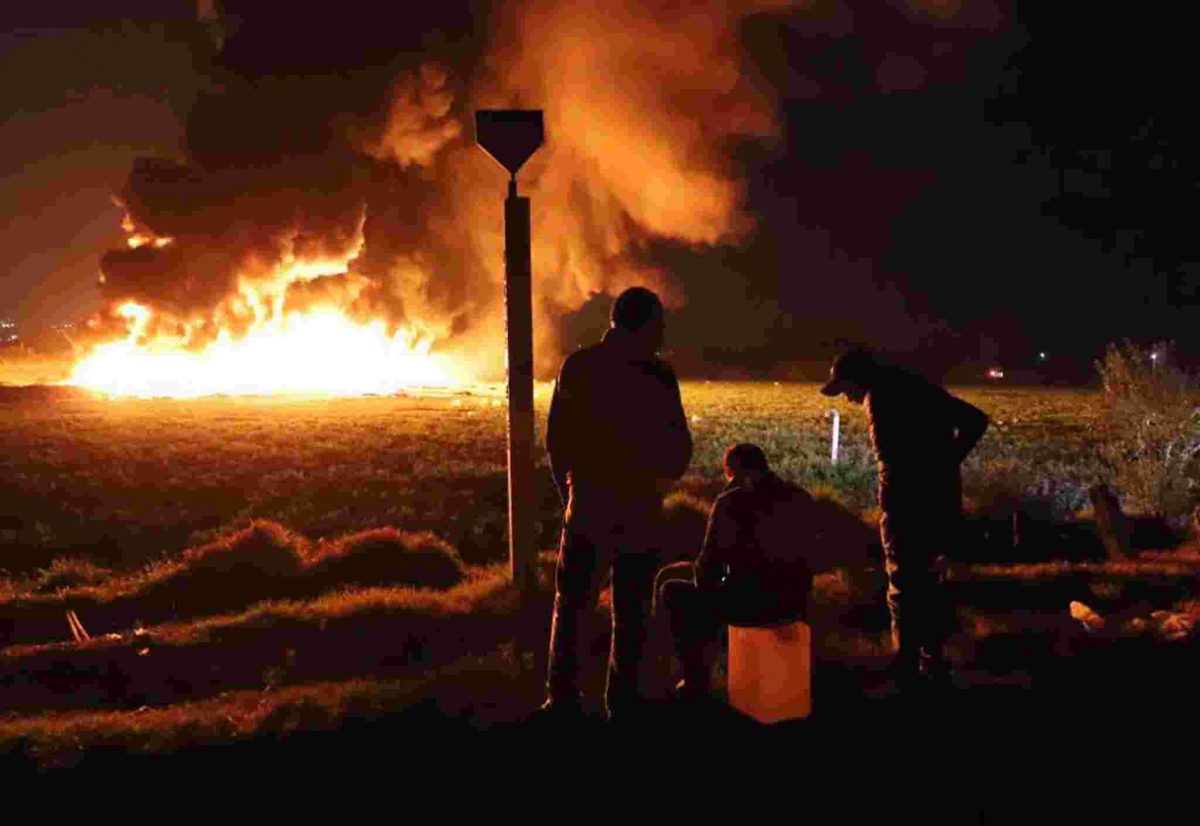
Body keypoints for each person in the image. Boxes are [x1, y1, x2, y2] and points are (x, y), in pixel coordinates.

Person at [540, 286, 693, 721]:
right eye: (659, 323)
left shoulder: (580, 367)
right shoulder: (660, 376)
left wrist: (570, 497)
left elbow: (557, 442)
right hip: (639, 512)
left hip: (589, 508)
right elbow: (679, 450)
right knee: (631, 612)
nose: (663, 332)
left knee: (571, 609)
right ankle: (623, 703)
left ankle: (563, 703)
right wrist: (656, 481)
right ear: (645, 324)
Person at [820, 347, 988, 690]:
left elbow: (897, 461)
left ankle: (907, 666)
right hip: (939, 502)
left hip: (908, 507)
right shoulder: (914, 386)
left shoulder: (881, 396)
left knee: (904, 584)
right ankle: (933, 661)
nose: (847, 397)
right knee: (930, 581)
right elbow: (975, 420)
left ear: (858, 378)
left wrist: (925, 475)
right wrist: (946, 463)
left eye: (846, 387)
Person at [656, 443, 815, 701]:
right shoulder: (801, 497)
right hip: (793, 603)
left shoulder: (730, 502)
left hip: (748, 605)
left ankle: (695, 679)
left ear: (733, 473)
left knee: (671, 588)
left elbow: (706, 572)